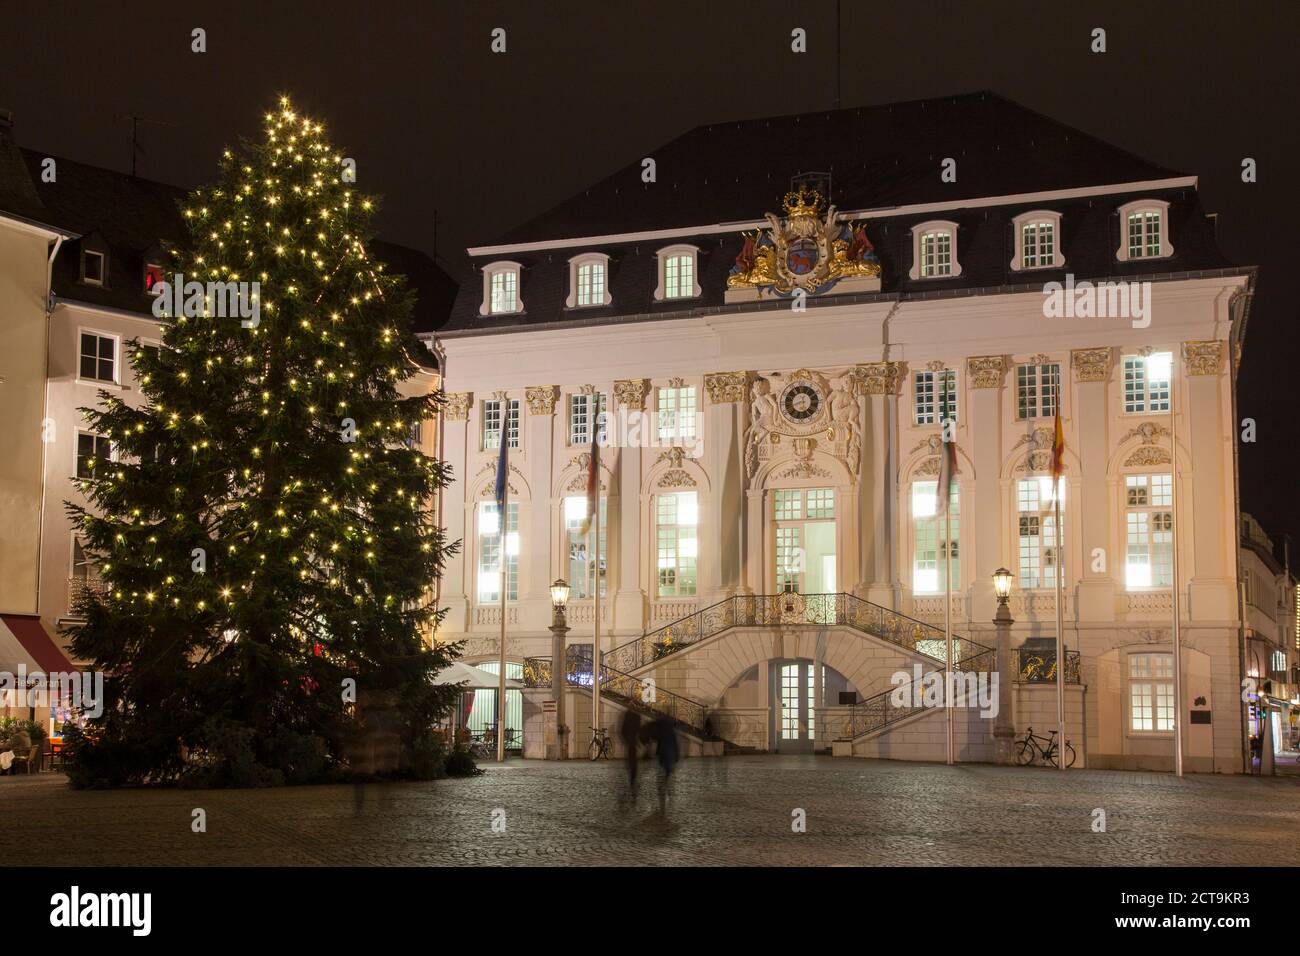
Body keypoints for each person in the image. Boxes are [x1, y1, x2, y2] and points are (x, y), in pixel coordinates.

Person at [649, 715, 679, 815]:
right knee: (668, 771)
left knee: (663, 772)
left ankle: (664, 787)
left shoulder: (660, 730)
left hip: (662, 754)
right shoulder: (670, 730)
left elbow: (654, 737)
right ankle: (667, 787)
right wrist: (677, 756)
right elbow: (675, 743)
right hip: (669, 754)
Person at [619, 709, 642, 805]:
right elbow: (639, 730)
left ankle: (632, 780)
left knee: (631, 762)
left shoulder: (630, 715)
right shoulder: (636, 716)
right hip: (632, 743)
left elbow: (623, 730)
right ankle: (633, 780)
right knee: (632, 763)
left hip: (631, 743)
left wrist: (626, 740)